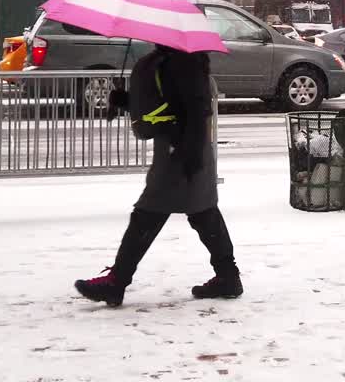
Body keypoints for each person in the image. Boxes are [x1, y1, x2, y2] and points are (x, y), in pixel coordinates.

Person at [74, 46, 241, 307]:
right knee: (203, 213)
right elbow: (164, 102)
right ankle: (228, 277)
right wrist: (127, 101)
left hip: (181, 151)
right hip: (180, 148)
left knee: (148, 214)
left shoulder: (185, 62)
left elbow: (197, 109)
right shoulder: (170, 59)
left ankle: (116, 282)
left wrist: (191, 154)